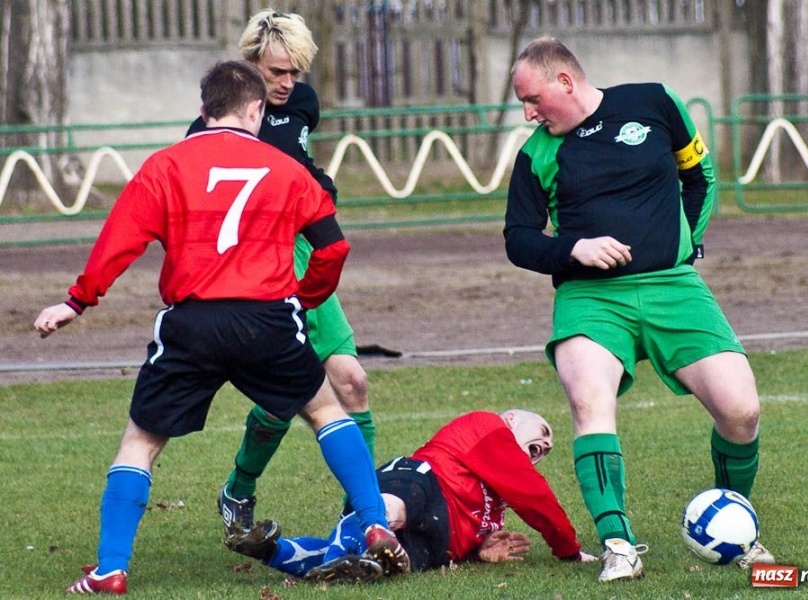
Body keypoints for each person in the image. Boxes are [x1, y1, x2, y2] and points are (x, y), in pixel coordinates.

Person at [35, 60, 408, 595]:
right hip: (268, 317)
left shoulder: (166, 164)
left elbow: (121, 238)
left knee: (140, 442)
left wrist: (78, 301)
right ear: (257, 110)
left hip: (193, 322)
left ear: (202, 110)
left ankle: (111, 569)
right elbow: (333, 245)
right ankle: (372, 520)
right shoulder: (286, 169)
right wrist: (306, 297)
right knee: (326, 409)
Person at [503, 37, 775, 582]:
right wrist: (571, 250)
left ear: (565, 82)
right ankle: (618, 545)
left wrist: (685, 246)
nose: (529, 113)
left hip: (674, 287)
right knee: (588, 400)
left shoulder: (653, 103)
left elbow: (700, 177)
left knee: (741, 411)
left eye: (532, 99)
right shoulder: (538, 154)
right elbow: (517, 240)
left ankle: (734, 527)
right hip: (591, 298)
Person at [186, 9, 377, 538]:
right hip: (253, 265)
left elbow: (296, 160)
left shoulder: (302, 104)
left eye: (295, 71)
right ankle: (238, 489)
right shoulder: (213, 124)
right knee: (284, 395)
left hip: (301, 253)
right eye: (277, 72)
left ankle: (363, 519)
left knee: (353, 382)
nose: (289, 83)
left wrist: (319, 185)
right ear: (249, 66)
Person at [227, 409, 597, 584]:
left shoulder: (496, 497)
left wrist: (480, 550)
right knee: (393, 510)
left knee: (389, 562)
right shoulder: (489, 427)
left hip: (436, 543)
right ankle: (338, 561)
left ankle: (271, 550)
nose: (547, 443)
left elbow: (475, 522)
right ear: (512, 418)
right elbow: (535, 497)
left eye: (550, 446)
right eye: (544, 431)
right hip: (422, 482)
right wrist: (569, 548)